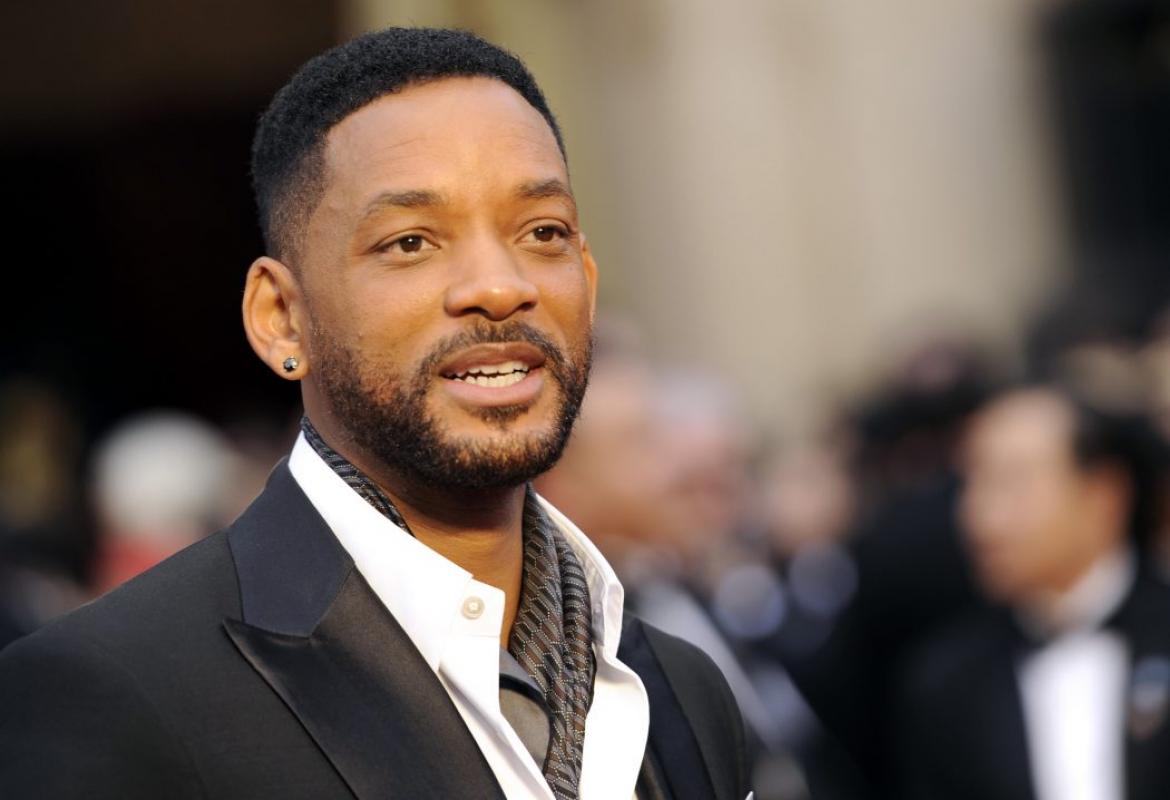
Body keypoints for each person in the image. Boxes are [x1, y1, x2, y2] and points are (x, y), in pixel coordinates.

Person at [0, 28, 750, 800]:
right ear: (281, 319)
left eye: (543, 232)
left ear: (586, 281)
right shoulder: (111, 693)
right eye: (411, 242)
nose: (499, 286)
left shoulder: (683, 689)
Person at [896, 382, 1170, 800]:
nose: (980, 516)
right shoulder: (945, 681)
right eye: (970, 483)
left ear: (1103, 495)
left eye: (1012, 482)